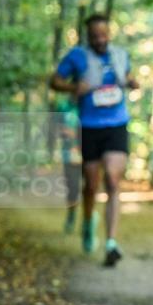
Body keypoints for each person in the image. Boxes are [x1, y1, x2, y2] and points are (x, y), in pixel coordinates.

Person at [50, 14, 139, 267]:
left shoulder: (121, 55)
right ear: (88, 36)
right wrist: (73, 88)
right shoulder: (77, 56)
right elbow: (54, 81)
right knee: (91, 184)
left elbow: (127, 77)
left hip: (117, 124)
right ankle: (88, 222)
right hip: (89, 127)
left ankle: (111, 243)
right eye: (95, 36)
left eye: (104, 34)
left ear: (109, 33)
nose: (100, 39)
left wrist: (132, 82)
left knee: (112, 179)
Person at [54, 96, 83, 234]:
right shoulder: (63, 106)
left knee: (90, 186)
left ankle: (87, 221)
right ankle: (71, 216)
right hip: (69, 153)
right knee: (72, 187)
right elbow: (56, 127)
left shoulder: (90, 103)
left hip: (89, 151)